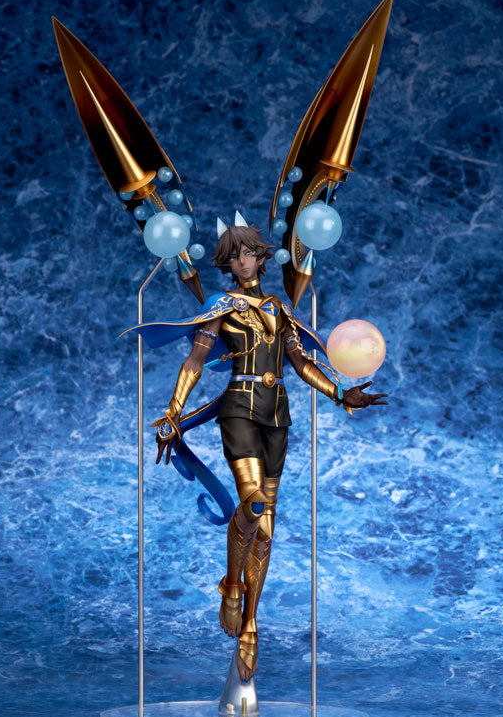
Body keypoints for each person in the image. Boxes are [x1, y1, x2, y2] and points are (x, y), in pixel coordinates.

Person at [154, 222, 387, 683]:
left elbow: (301, 363)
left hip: (277, 417)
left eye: (248, 253)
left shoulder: (281, 309)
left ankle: (251, 623)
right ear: (226, 264)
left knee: (265, 529)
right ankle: (230, 584)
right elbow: (195, 360)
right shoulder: (221, 305)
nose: (241, 262)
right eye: (232, 256)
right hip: (238, 410)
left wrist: (341, 394)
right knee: (254, 504)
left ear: (262, 257)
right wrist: (173, 411)